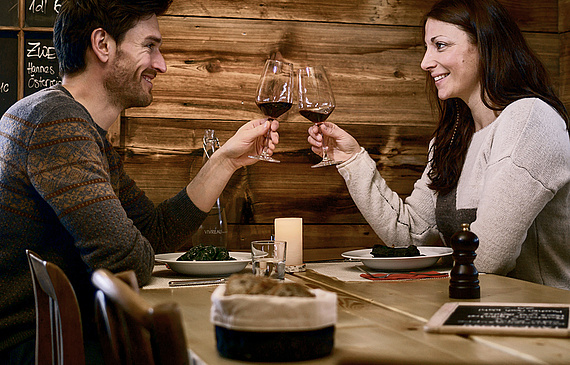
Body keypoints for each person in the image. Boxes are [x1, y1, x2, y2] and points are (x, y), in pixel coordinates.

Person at [0, 0, 279, 363]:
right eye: (150, 46)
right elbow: (127, 260)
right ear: (103, 45)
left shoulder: (75, 126)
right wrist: (136, 250)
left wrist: (225, 161)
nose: (161, 64)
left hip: (58, 334)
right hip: (36, 346)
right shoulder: (57, 125)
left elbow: (154, 232)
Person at [308, 0, 570, 290]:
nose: (425, 62)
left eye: (440, 45)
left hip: (542, 316)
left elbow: (488, 259)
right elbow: (409, 237)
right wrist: (352, 159)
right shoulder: (452, 139)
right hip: (474, 308)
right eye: (426, 47)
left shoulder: (529, 118)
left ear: (485, 45)